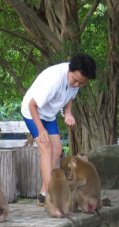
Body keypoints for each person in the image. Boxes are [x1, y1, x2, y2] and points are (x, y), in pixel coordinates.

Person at [20, 54, 96, 205]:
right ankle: (52, 196)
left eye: (81, 84)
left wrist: (68, 113)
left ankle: (43, 194)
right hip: (32, 112)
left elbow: (70, 97)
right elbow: (32, 105)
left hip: (48, 115)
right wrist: (41, 130)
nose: (77, 85)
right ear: (70, 70)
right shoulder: (54, 80)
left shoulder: (76, 80)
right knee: (46, 147)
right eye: (75, 81)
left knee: (57, 149)